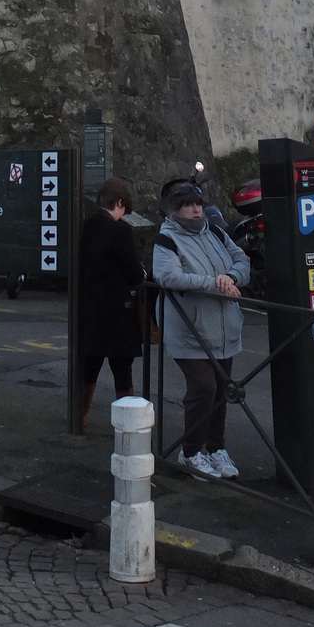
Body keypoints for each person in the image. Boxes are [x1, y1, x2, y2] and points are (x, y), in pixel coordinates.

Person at [152, 178, 251, 481]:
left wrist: (231, 277)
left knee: (222, 390)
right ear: (174, 211)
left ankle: (215, 447)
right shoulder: (167, 239)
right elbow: (168, 276)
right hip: (189, 329)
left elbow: (242, 260)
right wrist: (214, 283)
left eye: (197, 204)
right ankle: (192, 451)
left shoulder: (217, 233)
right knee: (203, 388)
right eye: (187, 206)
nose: (195, 210)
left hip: (224, 328)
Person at [79, 177, 146, 428]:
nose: (123, 214)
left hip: (92, 309)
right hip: (119, 312)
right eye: (124, 209)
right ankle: (126, 425)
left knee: (90, 367)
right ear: (119, 203)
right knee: (122, 370)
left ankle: (81, 416)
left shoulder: (85, 227)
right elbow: (134, 274)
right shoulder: (121, 231)